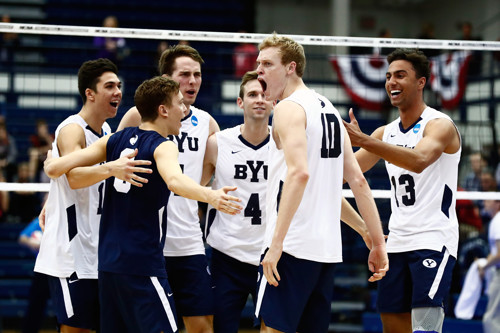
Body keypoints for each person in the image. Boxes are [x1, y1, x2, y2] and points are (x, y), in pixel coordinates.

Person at [43, 76, 242, 332]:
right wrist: (211, 196)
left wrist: (51, 164)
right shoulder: (164, 146)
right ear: (163, 110)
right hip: (142, 263)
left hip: (108, 265)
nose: (184, 110)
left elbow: (60, 168)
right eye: (179, 103)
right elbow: (175, 181)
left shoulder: (116, 139)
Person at [254, 33, 388, 333]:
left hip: (291, 248)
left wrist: (276, 244)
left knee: (272, 329)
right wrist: (373, 237)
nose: (259, 70)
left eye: (267, 63)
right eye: (258, 63)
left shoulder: (288, 108)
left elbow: (299, 174)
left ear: (290, 67)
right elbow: (357, 182)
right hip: (325, 252)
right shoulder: (328, 107)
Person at [343, 48, 461, 333]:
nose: (391, 82)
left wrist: (365, 141)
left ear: (420, 82)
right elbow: (344, 176)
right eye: (388, 76)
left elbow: (419, 161)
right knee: (392, 326)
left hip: (434, 238)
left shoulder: (440, 125)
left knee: (425, 328)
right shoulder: (385, 133)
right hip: (396, 242)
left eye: (400, 75)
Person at [34, 58, 151, 333]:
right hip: (70, 254)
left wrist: (52, 195)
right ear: (90, 93)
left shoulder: (107, 131)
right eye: (109, 86)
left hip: (97, 251)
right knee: (77, 330)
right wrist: (112, 168)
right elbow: (74, 176)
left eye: (119, 86)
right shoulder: (72, 128)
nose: (117, 92)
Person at [117, 44, 220, 333]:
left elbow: (210, 175)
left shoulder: (207, 123)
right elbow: (112, 170)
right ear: (167, 79)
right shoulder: (137, 118)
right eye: (185, 74)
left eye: (197, 75)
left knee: (201, 325)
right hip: (147, 241)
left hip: (187, 241)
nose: (193, 81)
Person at [18, 216, 51, 333]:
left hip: (61, 269)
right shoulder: (39, 221)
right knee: (36, 305)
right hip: (42, 270)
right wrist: (34, 242)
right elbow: (22, 238)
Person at [478, 199, 500, 333]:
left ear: (498, 203)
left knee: (491, 318)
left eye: (488, 200)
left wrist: (484, 266)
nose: (484, 202)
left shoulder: (498, 221)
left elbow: (499, 254)